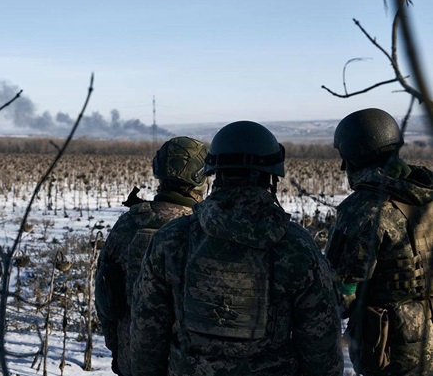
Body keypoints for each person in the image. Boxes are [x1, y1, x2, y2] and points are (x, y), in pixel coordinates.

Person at [130, 121, 343, 376]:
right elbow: (322, 345)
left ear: (213, 172)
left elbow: (147, 333)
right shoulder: (296, 246)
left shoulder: (171, 240)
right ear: (271, 176)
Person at [325, 108, 433, 376]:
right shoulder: (427, 194)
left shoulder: (364, 209)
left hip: (394, 347)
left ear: (354, 156)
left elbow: (339, 290)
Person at [95, 136, 208, 376]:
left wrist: (119, 352)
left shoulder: (128, 223)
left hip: (131, 362)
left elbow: (104, 299)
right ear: (200, 178)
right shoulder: (200, 231)